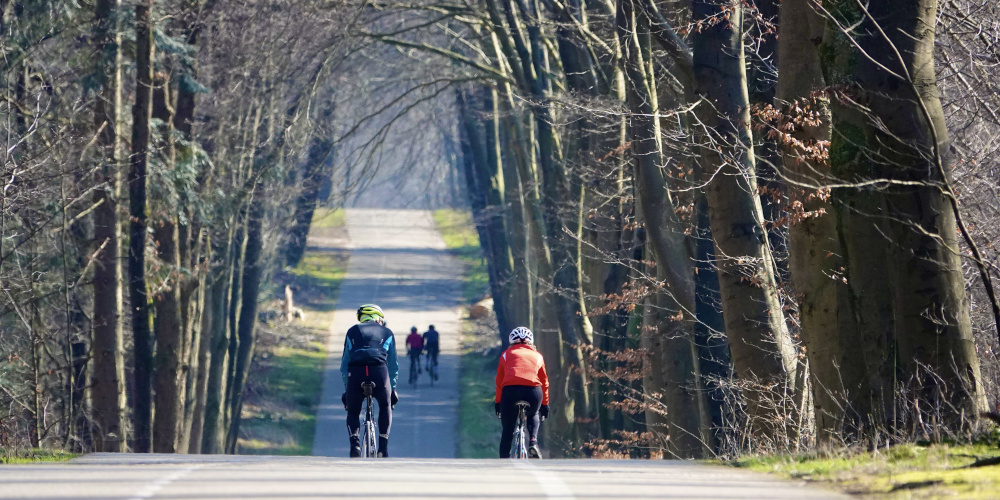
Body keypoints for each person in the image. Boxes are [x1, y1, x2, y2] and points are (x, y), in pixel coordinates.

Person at [340, 304, 399, 458]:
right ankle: (383, 449)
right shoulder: (387, 332)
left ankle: (355, 445)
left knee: (353, 410)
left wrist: (348, 389)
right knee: (385, 405)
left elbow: (345, 364)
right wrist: (392, 389)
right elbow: (393, 366)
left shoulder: (352, 331)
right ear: (379, 318)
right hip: (379, 372)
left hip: (356, 372)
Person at [494, 326, 549, 458]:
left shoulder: (505, 355)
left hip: (510, 391)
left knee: (507, 431)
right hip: (533, 391)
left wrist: (498, 403)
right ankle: (533, 442)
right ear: (531, 342)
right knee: (533, 413)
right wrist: (545, 404)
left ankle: (504, 462)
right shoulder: (538, 356)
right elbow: (544, 381)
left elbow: (499, 382)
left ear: (511, 341)